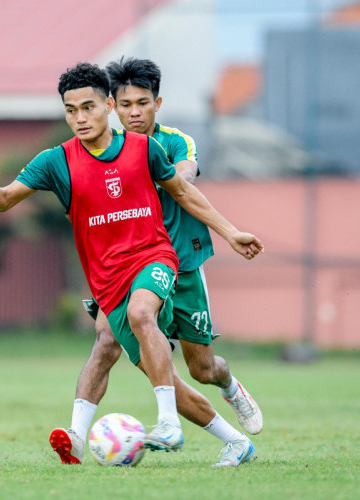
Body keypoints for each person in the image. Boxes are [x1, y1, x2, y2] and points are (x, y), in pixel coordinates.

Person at [0, 62, 263, 467]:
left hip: (157, 256)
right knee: (154, 368)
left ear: (107, 106)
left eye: (88, 107)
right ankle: (233, 442)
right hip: (107, 279)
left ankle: (167, 423)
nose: (80, 118)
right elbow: (1, 201)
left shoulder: (146, 148)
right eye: (71, 111)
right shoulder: (56, 161)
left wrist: (231, 233)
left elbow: (185, 192)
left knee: (146, 317)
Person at [78, 56, 262, 438]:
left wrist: (154, 174)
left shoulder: (175, 142)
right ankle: (77, 436)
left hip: (184, 264)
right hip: (130, 270)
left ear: (156, 104)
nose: (134, 112)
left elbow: (184, 176)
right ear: (112, 106)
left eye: (142, 103)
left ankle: (230, 389)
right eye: (125, 104)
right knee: (107, 339)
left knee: (203, 369)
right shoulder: (99, 151)